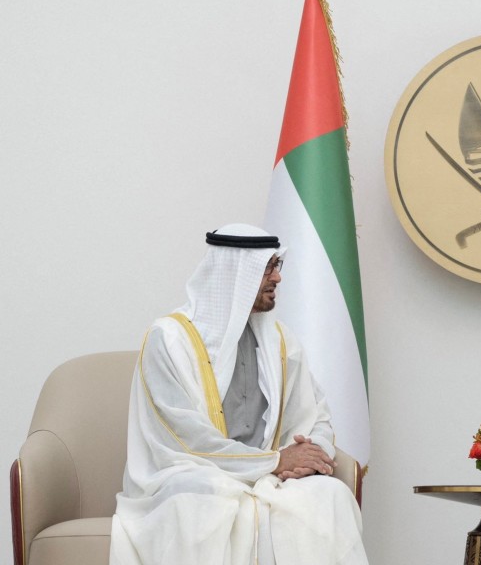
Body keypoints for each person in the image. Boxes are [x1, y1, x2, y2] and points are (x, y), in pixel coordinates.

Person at [111, 224, 369, 565]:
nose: (277, 278)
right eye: (267, 268)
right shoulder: (168, 339)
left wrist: (312, 452)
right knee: (204, 498)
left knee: (329, 494)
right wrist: (276, 461)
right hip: (191, 474)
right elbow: (186, 441)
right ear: (234, 274)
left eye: (277, 266)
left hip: (272, 477)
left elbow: (315, 413)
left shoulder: (279, 340)